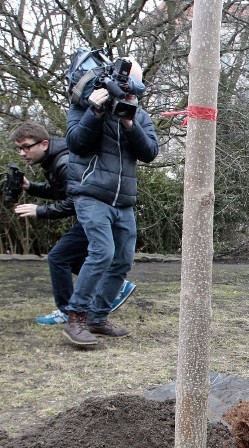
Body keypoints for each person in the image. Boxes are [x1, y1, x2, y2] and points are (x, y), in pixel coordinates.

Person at [63, 57, 158, 346]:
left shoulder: (138, 115)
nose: (131, 92)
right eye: (128, 86)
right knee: (102, 252)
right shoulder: (83, 106)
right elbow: (76, 143)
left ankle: (97, 317)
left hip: (124, 200)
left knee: (122, 260)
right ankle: (75, 318)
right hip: (91, 193)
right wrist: (96, 110)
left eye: (136, 89)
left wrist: (129, 123)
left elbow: (150, 152)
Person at [11, 122, 137, 326]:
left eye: (26, 146)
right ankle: (114, 285)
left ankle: (67, 311)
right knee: (69, 257)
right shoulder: (55, 158)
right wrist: (30, 187)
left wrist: (41, 211)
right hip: (94, 214)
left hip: (95, 214)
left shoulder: (64, 162)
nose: (22, 153)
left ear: (43, 144)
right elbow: (61, 190)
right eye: (19, 148)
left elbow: (73, 201)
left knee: (59, 257)